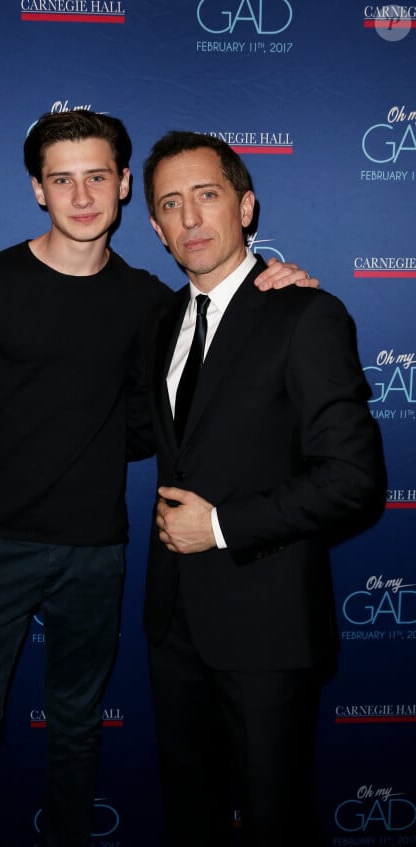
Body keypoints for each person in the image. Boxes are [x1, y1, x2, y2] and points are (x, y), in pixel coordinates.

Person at [0, 110, 315, 847]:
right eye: (62, 179)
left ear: (125, 184)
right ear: (38, 189)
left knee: (76, 737)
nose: (83, 194)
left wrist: (279, 285)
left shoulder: (150, 306)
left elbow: (204, 361)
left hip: (97, 553)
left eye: (98, 176)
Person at [140, 131, 386, 847]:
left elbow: (354, 480)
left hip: (268, 626)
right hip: (173, 624)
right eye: (171, 205)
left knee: (278, 824)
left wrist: (220, 527)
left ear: (246, 206)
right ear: (154, 228)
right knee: (191, 821)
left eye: (207, 196)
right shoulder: (159, 324)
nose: (190, 219)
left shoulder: (306, 313)